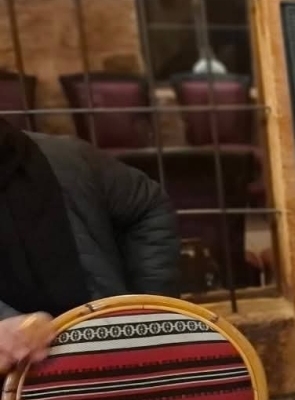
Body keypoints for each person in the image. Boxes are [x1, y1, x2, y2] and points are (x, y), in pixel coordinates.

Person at [0, 126, 179, 341]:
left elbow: (148, 208)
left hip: (110, 346)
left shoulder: (65, 158)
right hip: (20, 357)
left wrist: (146, 311)